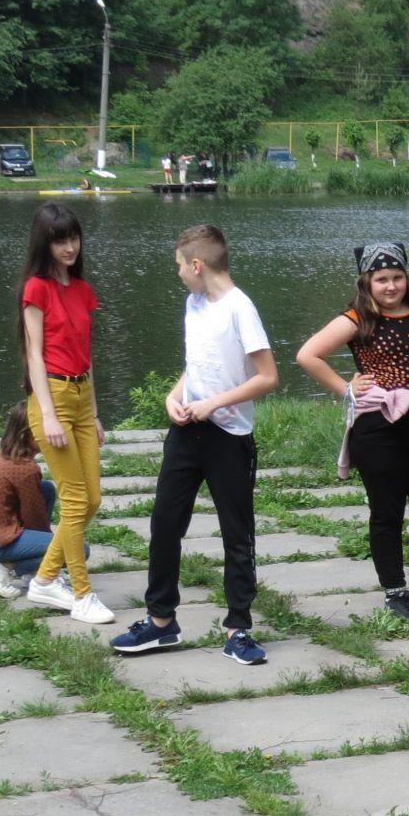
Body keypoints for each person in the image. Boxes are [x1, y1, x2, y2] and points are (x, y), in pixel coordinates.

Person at [110, 224, 278, 666]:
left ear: (198, 265)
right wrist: (175, 395)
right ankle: (161, 621)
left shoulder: (241, 309)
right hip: (186, 433)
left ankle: (238, 628)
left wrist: (214, 405)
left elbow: (267, 376)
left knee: (236, 535)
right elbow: (197, 365)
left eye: (181, 267)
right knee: (165, 523)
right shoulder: (194, 302)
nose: (180, 274)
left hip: (229, 438)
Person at [295, 242, 409, 622]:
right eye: (381, 279)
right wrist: (345, 389)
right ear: (367, 282)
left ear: (407, 278)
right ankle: (395, 593)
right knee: (387, 512)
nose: (390, 286)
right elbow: (308, 354)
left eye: (397, 277)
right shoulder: (355, 319)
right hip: (376, 428)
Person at [17, 201, 112, 624]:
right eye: (60, 240)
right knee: (74, 501)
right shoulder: (36, 288)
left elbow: (85, 355)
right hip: (50, 396)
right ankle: (82, 595)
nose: (69, 247)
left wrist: (92, 414)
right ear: (45, 243)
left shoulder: (81, 288)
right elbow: (35, 355)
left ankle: (42, 581)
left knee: (91, 500)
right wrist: (50, 416)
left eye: (73, 238)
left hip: (81, 394)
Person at [0, 403, 76, 596]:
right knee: (76, 548)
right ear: (27, 434)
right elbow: (34, 519)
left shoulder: (7, 456)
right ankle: (2, 568)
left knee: (45, 489)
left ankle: (31, 570)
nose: (52, 433)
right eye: (45, 429)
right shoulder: (24, 468)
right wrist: (50, 553)